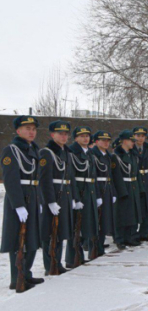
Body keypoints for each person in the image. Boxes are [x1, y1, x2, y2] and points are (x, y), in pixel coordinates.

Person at [1, 115, 44, 292]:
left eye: (33, 129)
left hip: (33, 196)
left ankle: (26, 272)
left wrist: (39, 199)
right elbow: (11, 180)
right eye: (27, 129)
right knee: (18, 239)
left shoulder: (34, 150)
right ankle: (16, 277)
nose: (31, 132)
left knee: (32, 236)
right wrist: (18, 205)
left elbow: (38, 178)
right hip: (19, 198)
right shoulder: (12, 150)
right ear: (18, 131)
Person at [39, 121, 73, 276]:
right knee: (50, 232)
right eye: (60, 133)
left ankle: (57, 262)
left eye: (66, 134)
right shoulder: (47, 152)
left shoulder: (66, 152)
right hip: (52, 196)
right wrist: (50, 201)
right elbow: (45, 180)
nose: (64, 136)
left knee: (60, 231)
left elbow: (69, 177)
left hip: (64, 195)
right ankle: (50, 265)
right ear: (52, 135)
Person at [67, 126, 100, 267]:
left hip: (90, 191)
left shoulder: (90, 154)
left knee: (87, 224)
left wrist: (97, 194)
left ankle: (80, 255)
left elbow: (94, 176)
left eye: (87, 135)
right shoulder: (72, 153)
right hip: (79, 192)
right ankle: (72, 258)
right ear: (75, 138)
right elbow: (71, 177)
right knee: (76, 227)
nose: (85, 138)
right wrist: (75, 198)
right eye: (81, 136)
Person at [111, 130, 143, 250]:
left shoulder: (133, 155)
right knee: (121, 214)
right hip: (123, 186)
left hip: (133, 185)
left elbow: (137, 173)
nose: (133, 143)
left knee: (134, 212)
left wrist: (140, 188)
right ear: (124, 141)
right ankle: (120, 238)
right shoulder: (116, 156)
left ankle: (131, 236)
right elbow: (116, 175)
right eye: (131, 140)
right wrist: (121, 191)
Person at [91, 131, 116, 255]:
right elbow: (93, 176)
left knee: (105, 219)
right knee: (97, 221)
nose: (106, 143)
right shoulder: (93, 155)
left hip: (107, 188)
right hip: (98, 188)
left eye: (107, 140)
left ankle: (100, 245)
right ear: (96, 142)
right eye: (103, 140)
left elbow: (111, 175)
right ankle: (94, 248)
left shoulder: (108, 156)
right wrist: (97, 194)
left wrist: (114, 192)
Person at [132, 126, 148, 242]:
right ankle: (134, 233)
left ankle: (145, 233)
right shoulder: (131, 148)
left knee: (147, 206)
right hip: (136, 178)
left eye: (142, 136)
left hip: (147, 177)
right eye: (138, 136)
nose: (140, 139)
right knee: (137, 207)